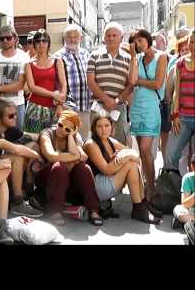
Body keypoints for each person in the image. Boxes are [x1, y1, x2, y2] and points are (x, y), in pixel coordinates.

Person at [83, 116, 162, 224]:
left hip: (109, 180)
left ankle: (142, 205)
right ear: (94, 128)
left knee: (132, 164)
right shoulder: (91, 144)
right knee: (130, 164)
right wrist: (124, 158)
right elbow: (106, 170)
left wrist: (123, 158)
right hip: (97, 186)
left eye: (107, 126)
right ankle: (139, 207)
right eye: (99, 126)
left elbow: (133, 153)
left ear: (112, 127)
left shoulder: (109, 140)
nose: (103, 129)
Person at [37, 110, 103, 226]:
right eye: (60, 125)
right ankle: (55, 210)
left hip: (68, 181)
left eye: (67, 129)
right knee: (59, 167)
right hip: (48, 179)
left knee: (84, 168)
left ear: (73, 130)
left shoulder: (74, 136)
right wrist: (73, 158)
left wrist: (71, 137)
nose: (62, 130)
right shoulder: (47, 133)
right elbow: (51, 156)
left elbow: (82, 156)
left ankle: (94, 209)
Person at [0, 98, 43, 218]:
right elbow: (15, 150)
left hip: (5, 171)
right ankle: (18, 201)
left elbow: (32, 136)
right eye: (11, 116)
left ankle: (28, 188)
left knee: (33, 145)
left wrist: (49, 134)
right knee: (18, 157)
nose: (15, 117)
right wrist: (38, 156)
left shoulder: (10, 129)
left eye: (15, 114)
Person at [128, 28, 168, 206]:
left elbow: (158, 83)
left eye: (141, 40)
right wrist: (132, 58)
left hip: (151, 107)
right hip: (136, 107)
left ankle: (152, 188)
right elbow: (131, 80)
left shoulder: (161, 57)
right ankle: (146, 185)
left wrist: (140, 82)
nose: (138, 44)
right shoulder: (137, 59)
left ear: (147, 39)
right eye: (135, 42)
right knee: (142, 153)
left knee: (145, 149)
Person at [87, 22, 133, 145]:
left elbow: (131, 84)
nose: (111, 38)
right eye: (108, 35)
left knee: (119, 142)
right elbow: (90, 82)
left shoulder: (128, 59)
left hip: (119, 107)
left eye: (114, 35)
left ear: (121, 38)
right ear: (104, 38)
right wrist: (106, 99)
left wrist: (116, 101)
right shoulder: (94, 56)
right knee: (97, 142)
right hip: (98, 106)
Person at [0, 25, 30, 129]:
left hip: (18, 104)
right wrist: (0, 105)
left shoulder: (24, 57)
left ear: (15, 39)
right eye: (2, 38)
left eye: (8, 38)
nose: (5, 40)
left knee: (18, 138)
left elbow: (20, 85)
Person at [53, 24, 92, 140]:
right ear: (64, 38)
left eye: (76, 36)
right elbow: (55, 83)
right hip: (68, 106)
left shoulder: (86, 54)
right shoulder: (58, 56)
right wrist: (59, 104)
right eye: (70, 36)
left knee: (83, 139)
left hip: (85, 105)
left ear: (80, 38)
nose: (73, 39)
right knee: (67, 138)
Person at [164, 29, 195, 176]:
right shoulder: (180, 63)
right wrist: (174, 114)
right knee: (171, 154)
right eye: (192, 42)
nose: (193, 46)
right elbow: (176, 91)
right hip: (182, 117)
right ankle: (181, 188)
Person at [24, 29, 67, 134]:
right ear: (34, 44)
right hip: (35, 108)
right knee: (34, 142)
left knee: (54, 141)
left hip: (54, 108)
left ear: (48, 43)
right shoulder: (29, 64)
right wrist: (53, 94)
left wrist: (60, 104)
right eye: (38, 41)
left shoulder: (57, 61)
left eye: (44, 41)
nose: (41, 43)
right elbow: (32, 87)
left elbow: (64, 84)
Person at [172, 154, 195, 229]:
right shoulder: (188, 178)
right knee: (179, 210)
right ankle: (189, 222)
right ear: (193, 167)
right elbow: (185, 204)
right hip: (191, 211)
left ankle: (189, 223)